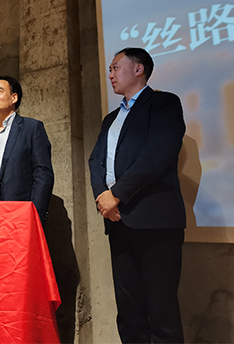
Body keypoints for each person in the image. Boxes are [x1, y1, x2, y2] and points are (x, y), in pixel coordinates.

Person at [88, 47, 186, 343]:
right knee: (129, 311)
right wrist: (103, 198)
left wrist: (116, 194)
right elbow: (95, 160)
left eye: (115, 67)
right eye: (110, 69)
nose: (110, 74)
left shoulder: (164, 103)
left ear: (138, 69)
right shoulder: (110, 119)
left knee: (161, 309)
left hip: (155, 221)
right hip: (117, 221)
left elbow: (158, 154)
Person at [0, 75, 54, 224]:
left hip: (19, 214)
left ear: (14, 98)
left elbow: (43, 174)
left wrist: (34, 214)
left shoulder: (31, 128)